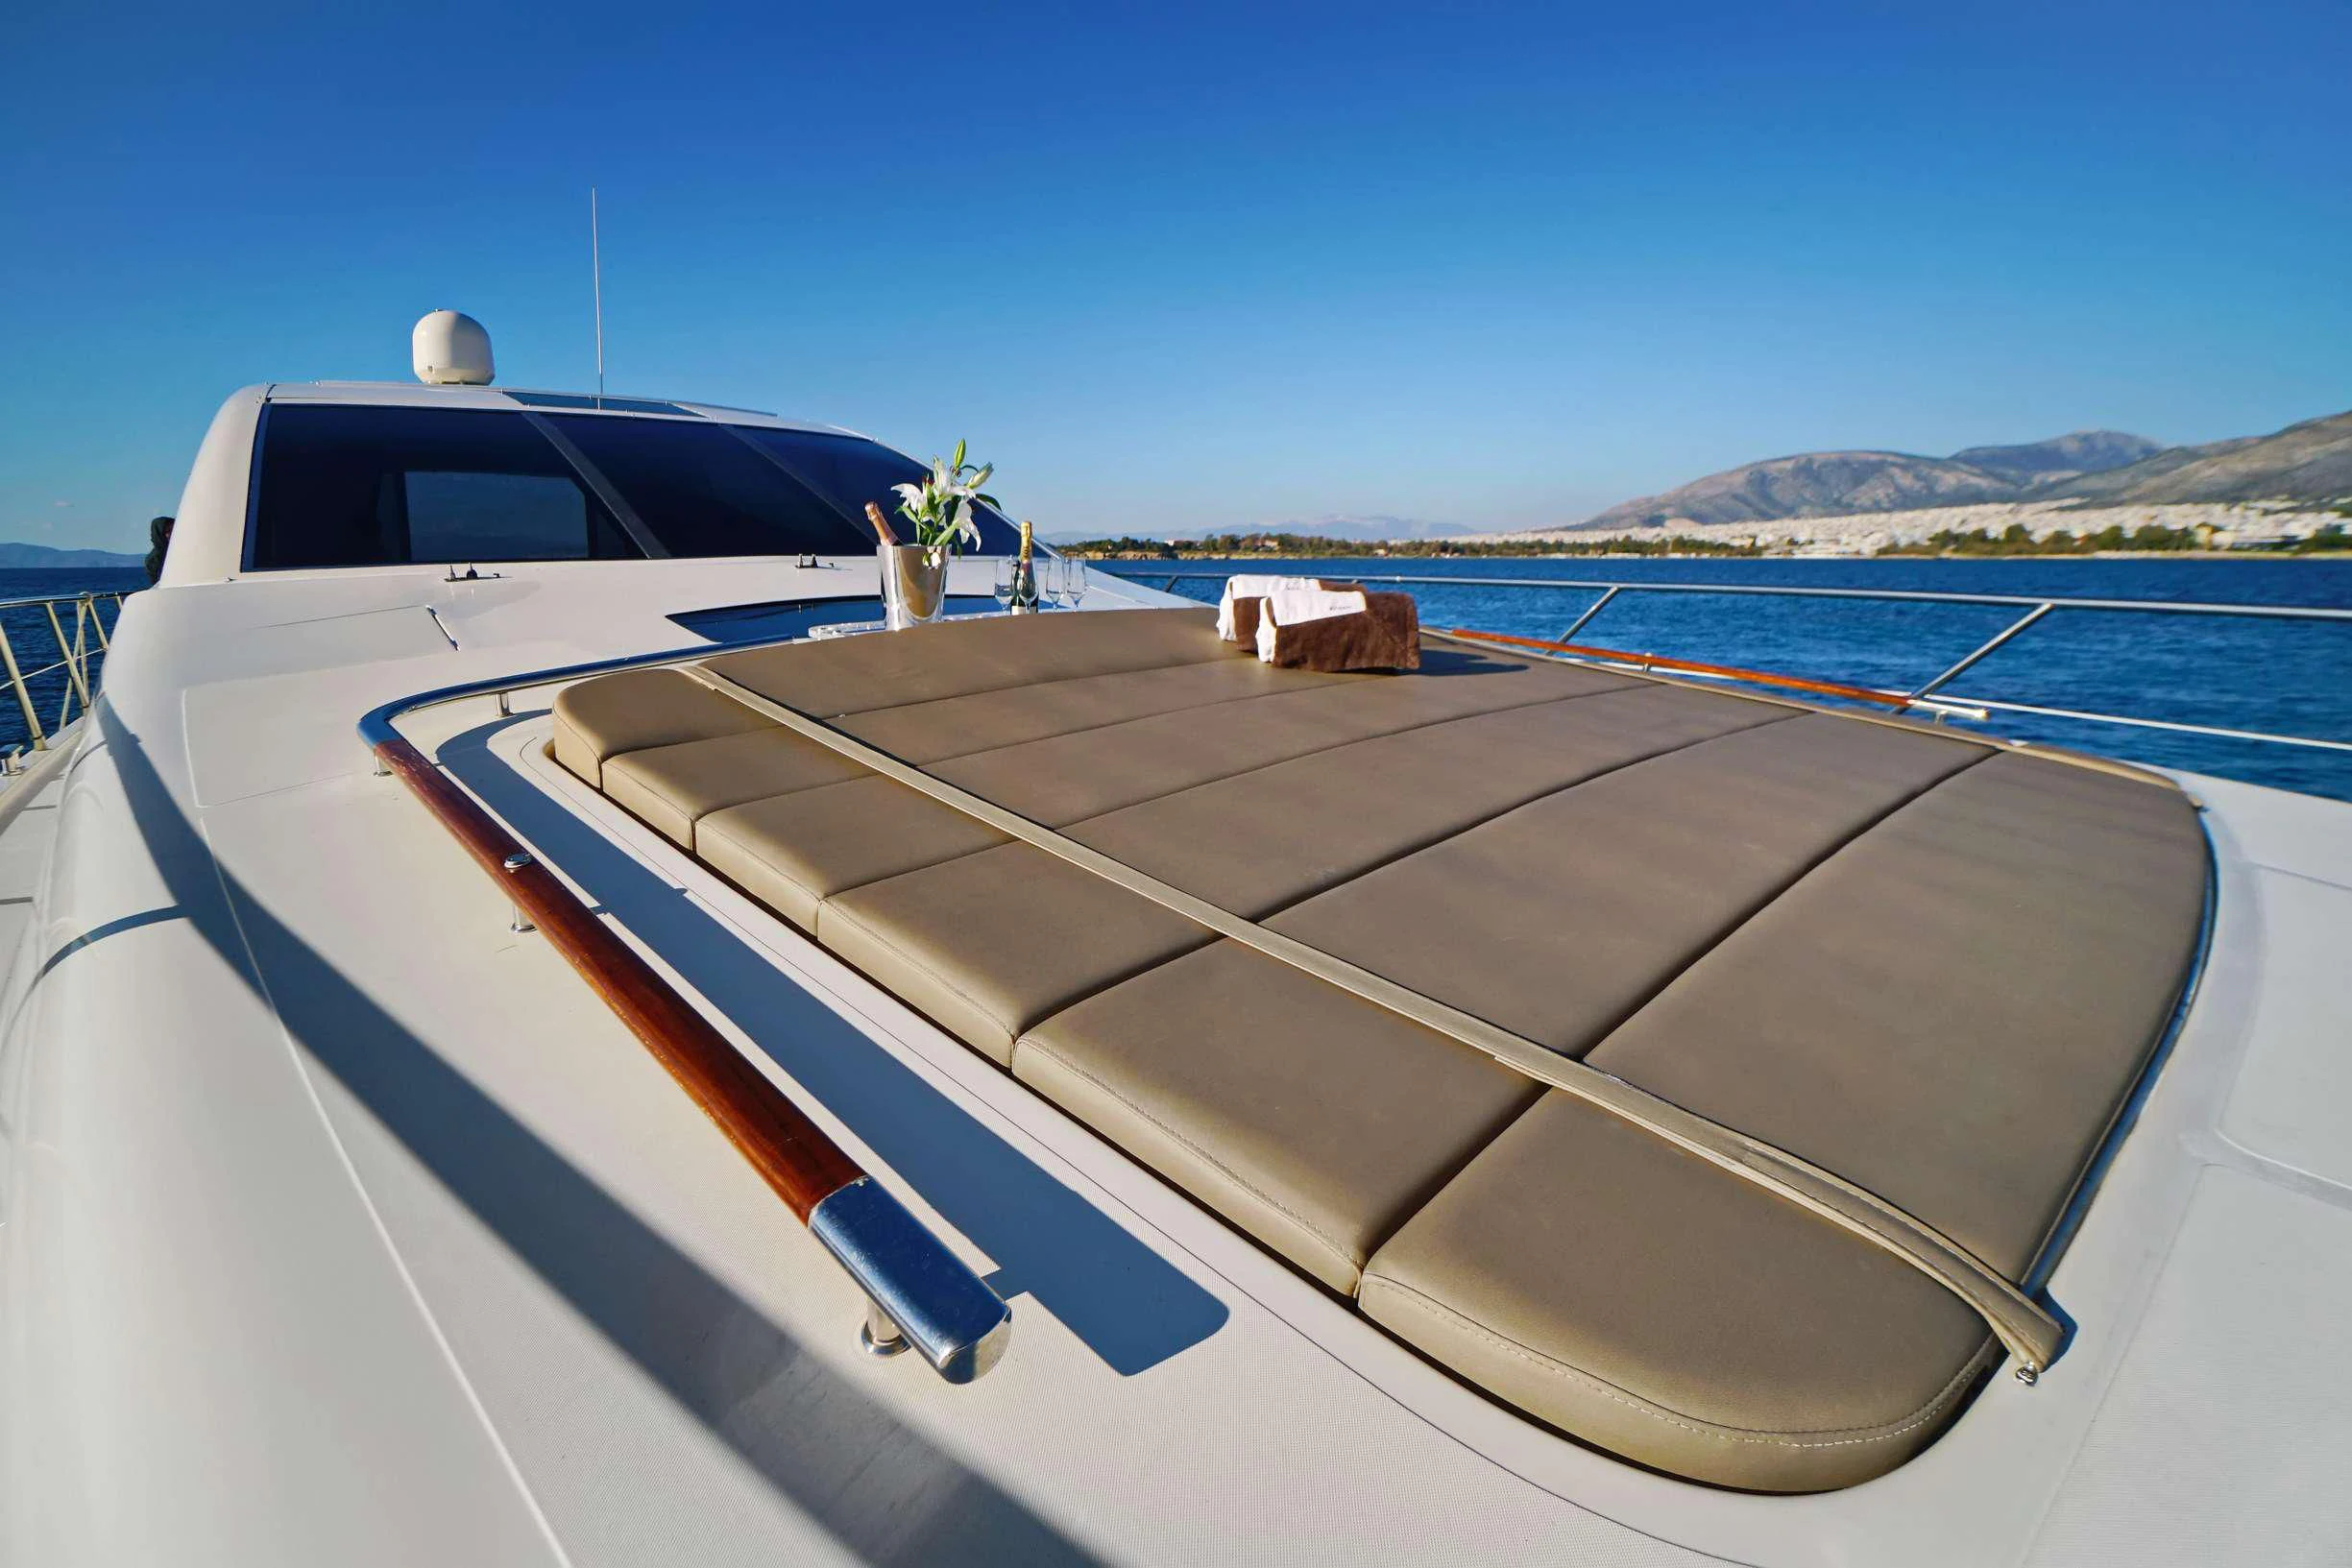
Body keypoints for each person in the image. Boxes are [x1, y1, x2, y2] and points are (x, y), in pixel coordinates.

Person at [143, 516, 174, 584]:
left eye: (173, 530)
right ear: (159, 534)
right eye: (167, 531)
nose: (171, 534)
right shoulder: (153, 560)